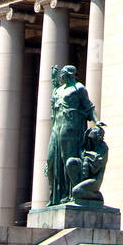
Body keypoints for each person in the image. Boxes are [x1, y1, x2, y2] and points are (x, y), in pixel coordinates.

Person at [45, 64, 97, 206]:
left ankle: (70, 195)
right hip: (57, 127)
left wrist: (97, 122)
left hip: (71, 127)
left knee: (69, 160)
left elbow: (89, 107)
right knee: (51, 162)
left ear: (70, 74)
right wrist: (53, 78)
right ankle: (54, 196)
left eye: (63, 73)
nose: (61, 75)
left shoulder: (79, 88)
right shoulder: (59, 90)